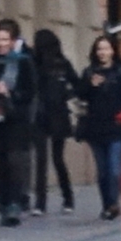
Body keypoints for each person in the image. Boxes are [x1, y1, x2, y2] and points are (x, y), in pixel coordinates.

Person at [76, 34, 121, 220]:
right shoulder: (89, 72)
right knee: (102, 171)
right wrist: (90, 86)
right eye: (99, 49)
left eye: (106, 48)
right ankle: (107, 204)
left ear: (113, 51)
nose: (102, 52)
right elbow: (80, 95)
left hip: (117, 126)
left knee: (113, 169)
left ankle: (113, 203)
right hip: (95, 127)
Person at [0, 19, 38, 226]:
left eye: (5, 39)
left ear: (12, 41)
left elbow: (31, 91)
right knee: (2, 163)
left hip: (17, 120)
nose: (0, 43)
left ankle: (15, 203)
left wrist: (11, 93)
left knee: (15, 162)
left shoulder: (23, 62)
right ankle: (4, 200)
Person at [28, 28, 81, 214]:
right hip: (58, 115)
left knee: (42, 160)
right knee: (57, 159)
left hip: (42, 115)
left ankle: (41, 204)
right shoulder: (62, 63)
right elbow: (77, 85)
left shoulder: (35, 62)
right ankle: (68, 198)